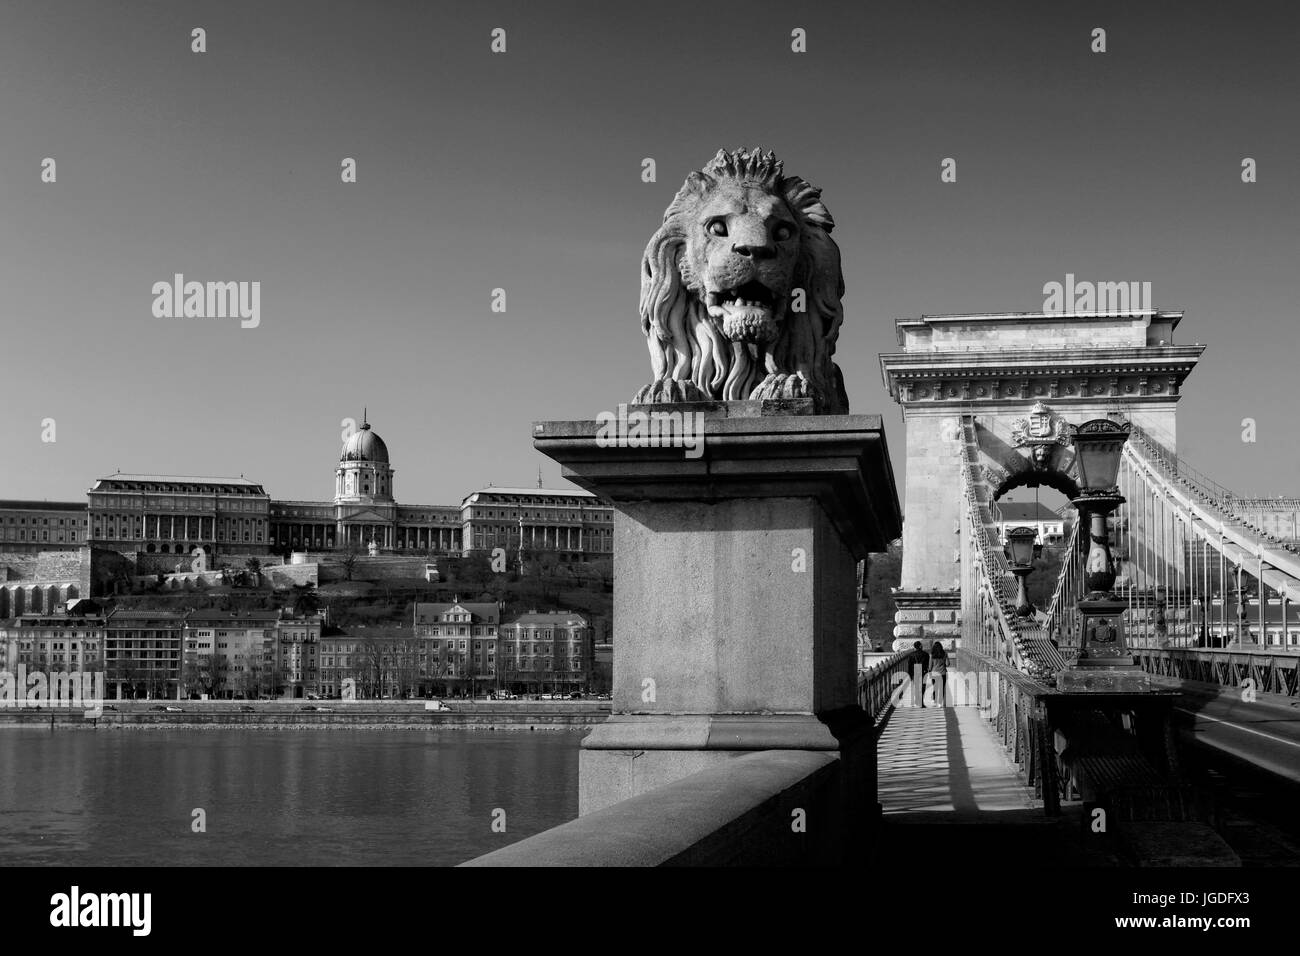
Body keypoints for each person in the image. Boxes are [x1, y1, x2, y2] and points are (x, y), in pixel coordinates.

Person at [908, 640, 930, 708]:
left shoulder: (911, 655)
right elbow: (927, 664)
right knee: (922, 687)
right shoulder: (926, 654)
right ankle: (921, 702)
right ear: (920, 646)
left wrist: (910, 675)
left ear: (914, 647)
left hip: (915, 671)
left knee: (917, 687)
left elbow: (909, 665)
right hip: (923, 671)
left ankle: (917, 701)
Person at [929, 641, 948, 708]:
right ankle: (940, 703)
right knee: (942, 688)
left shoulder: (932, 655)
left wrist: (929, 671)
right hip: (943, 672)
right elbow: (948, 664)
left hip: (934, 673)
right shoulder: (945, 654)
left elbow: (930, 666)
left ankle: (934, 699)